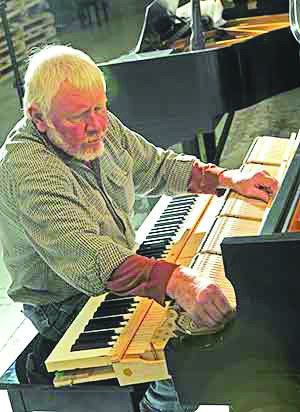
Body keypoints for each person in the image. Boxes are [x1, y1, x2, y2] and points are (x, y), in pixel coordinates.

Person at [0, 45, 278, 412]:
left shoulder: (99, 125)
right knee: (186, 337)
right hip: (66, 303)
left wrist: (225, 178)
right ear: (38, 118)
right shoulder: (28, 170)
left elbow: (154, 167)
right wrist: (179, 282)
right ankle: (158, 406)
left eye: (100, 108)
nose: (97, 125)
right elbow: (92, 261)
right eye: (79, 116)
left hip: (116, 265)